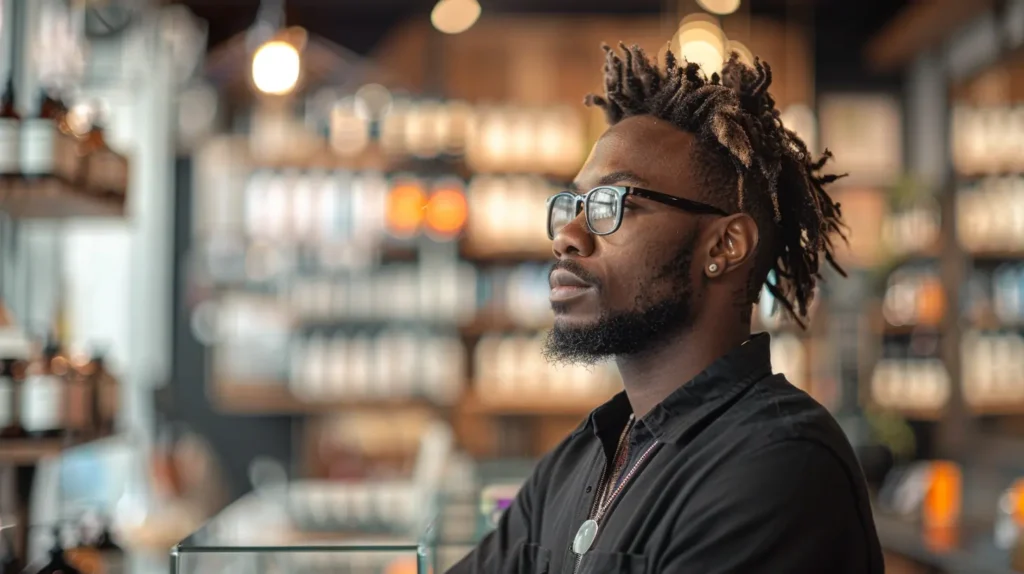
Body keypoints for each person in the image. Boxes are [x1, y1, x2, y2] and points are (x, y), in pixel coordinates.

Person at [448, 44, 884, 574]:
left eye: (612, 205)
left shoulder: (778, 463)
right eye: (573, 205)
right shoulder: (582, 456)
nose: (567, 237)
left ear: (724, 247)